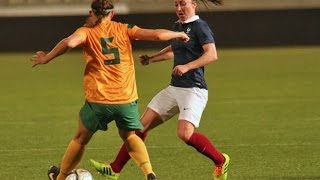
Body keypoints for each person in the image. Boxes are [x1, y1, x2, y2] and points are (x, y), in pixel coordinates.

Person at [30, 0, 189, 180]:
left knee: (80, 138)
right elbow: (157, 35)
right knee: (129, 136)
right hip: (126, 98)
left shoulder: (86, 31)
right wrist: (177, 34)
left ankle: (60, 178)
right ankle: (149, 173)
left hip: (99, 100)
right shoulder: (124, 28)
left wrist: (48, 57)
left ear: (92, 13)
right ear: (111, 14)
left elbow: (70, 43)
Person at [90, 0, 230, 179]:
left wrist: (187, 67)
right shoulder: (177, 26)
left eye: (183, 4)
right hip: (174, 88)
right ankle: (115, 169)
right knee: (139, 128)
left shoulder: (200, 27)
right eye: (176, 5)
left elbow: (212, 54)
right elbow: (174, 49)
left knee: (184, 134)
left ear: (193, 4)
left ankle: (220, 161)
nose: (179, 9)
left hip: (193, 89)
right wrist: (152, 58)